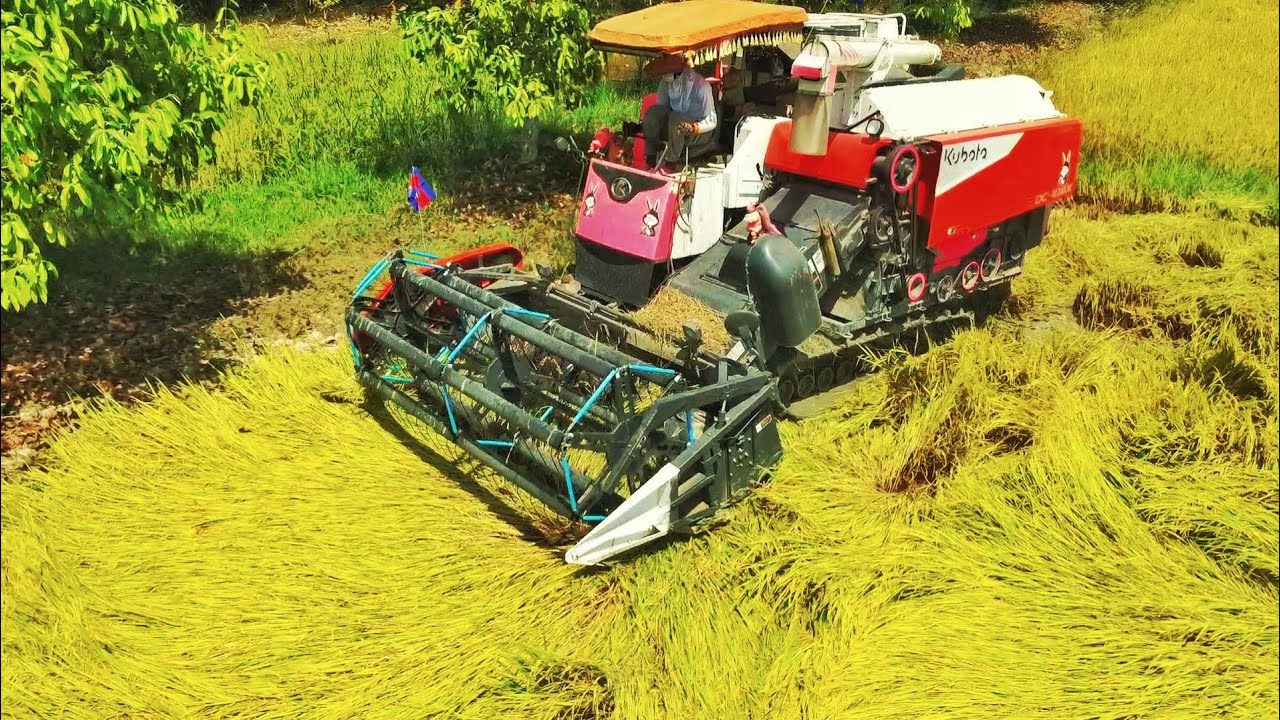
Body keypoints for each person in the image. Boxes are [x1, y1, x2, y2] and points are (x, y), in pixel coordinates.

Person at [641, 54, 717, 170]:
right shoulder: (664, 83)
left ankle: (670, 162)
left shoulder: (702, 87)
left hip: (699, 131)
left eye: (668, 73)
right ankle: (650, 157)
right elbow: (661, 109)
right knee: (653, 111)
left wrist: (694, 128)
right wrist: (648, 123)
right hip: (673, 125)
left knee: (676, 118)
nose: (665, 76)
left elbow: (712, 120)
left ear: (680, 72)